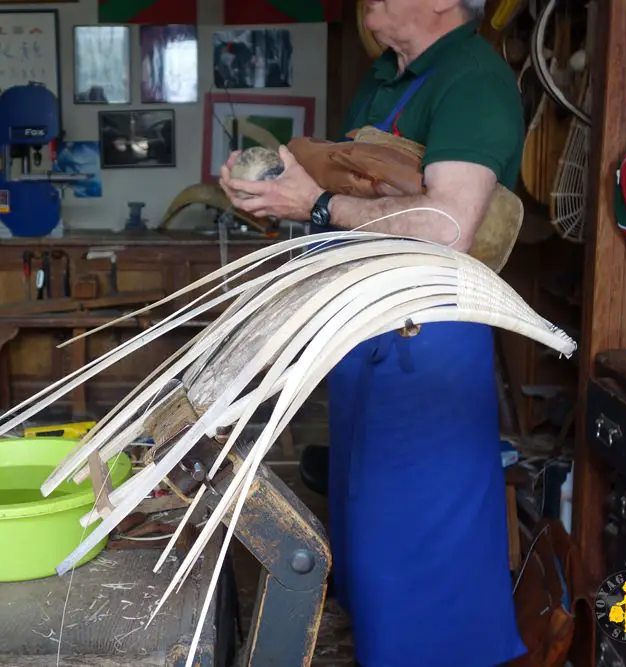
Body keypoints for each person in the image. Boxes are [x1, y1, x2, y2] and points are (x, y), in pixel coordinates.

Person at [219, 2, 526, 666]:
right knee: (365, 551)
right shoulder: (385, 78)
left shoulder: (474, 78)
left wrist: (321, 205)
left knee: (421, 559)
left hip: (430, 349)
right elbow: (346, 197)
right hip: (367, 339)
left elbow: (447, 226)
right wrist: (275, 192)